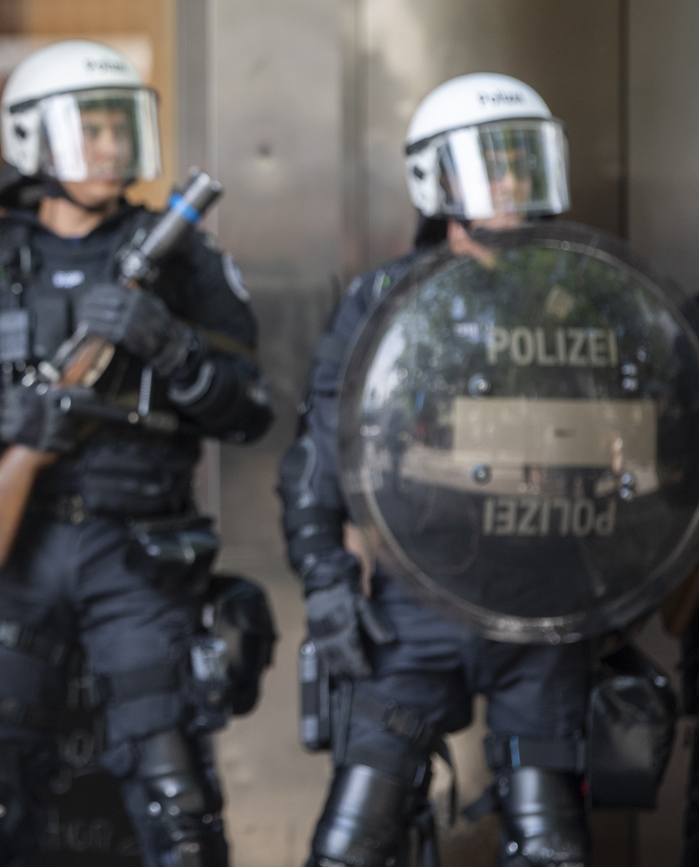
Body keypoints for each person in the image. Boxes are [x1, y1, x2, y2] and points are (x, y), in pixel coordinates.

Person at [0, 40, 273, 867]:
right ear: (30, 140)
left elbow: (251, 410)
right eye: (90, 128)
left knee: (176, 803)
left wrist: (171, 347)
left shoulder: (182, 260)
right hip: (16, 554)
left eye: (121, 127)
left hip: (140, 555)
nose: (111, 146)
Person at [277, 72, 591, 866]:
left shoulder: (589, 297)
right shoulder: (385, 299)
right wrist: (323, 582)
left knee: (549, 842)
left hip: (543, 604)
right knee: (352, 843)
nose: (510, 182)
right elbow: (323, 448)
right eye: (490, 163)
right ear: (434, 180)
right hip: (415, 603)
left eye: (521, 162)